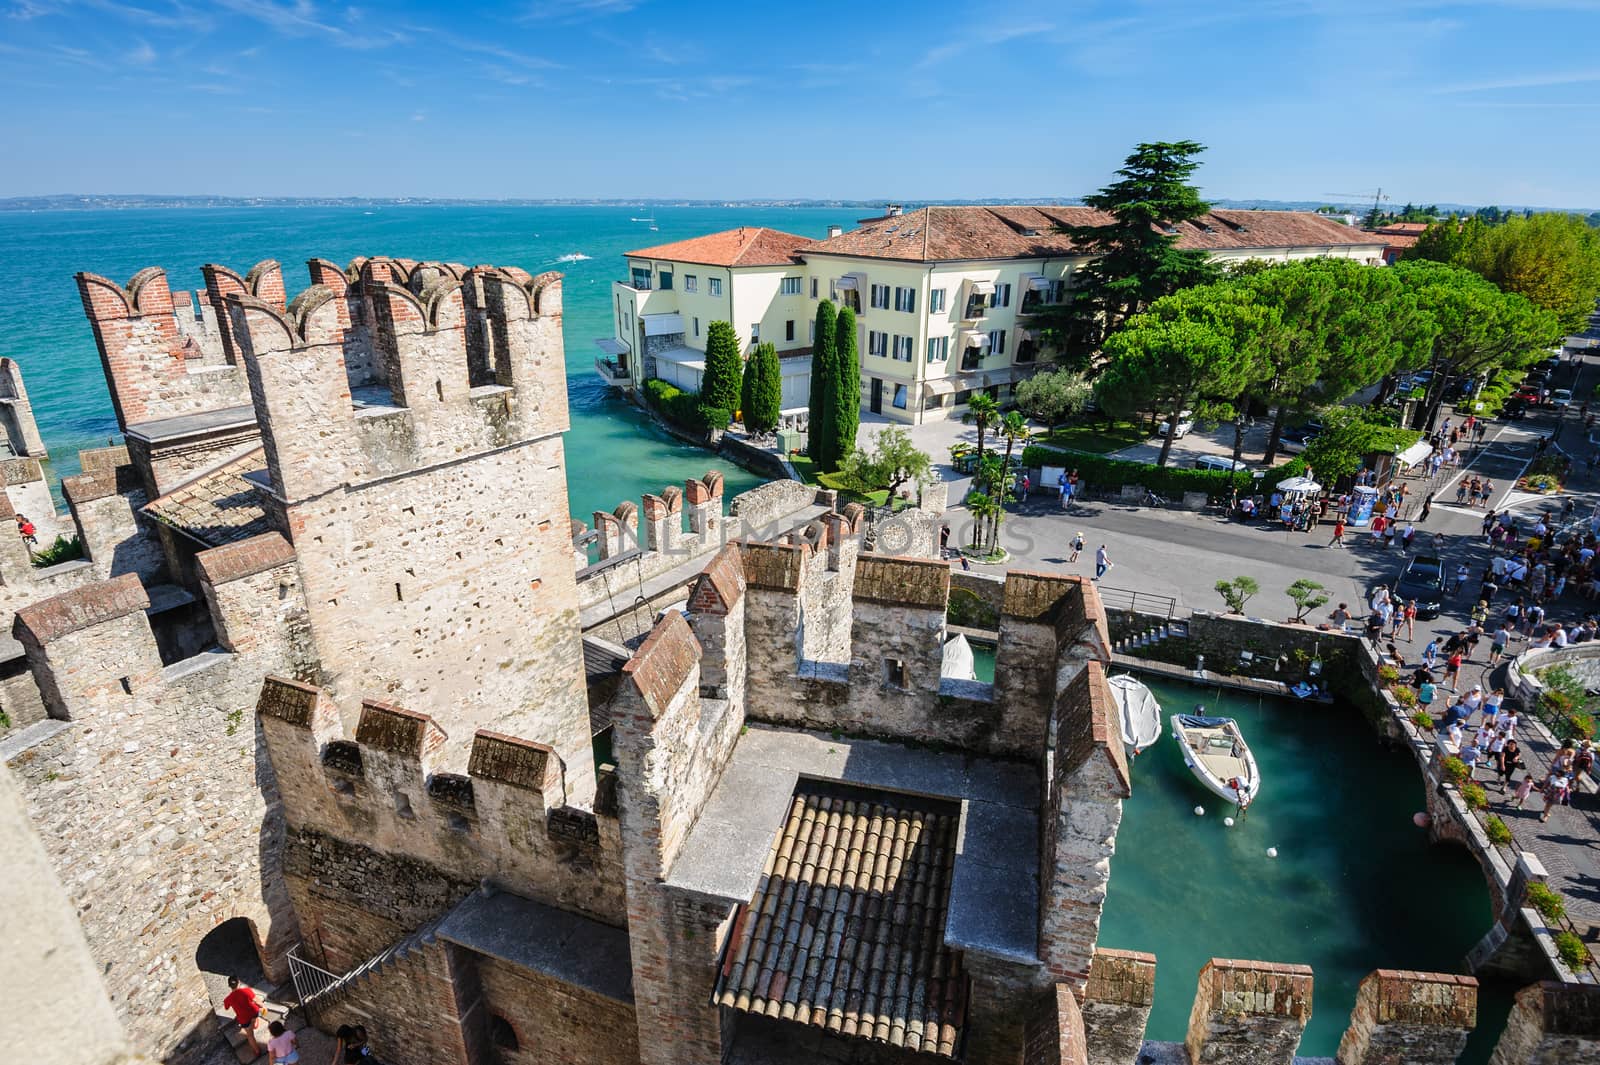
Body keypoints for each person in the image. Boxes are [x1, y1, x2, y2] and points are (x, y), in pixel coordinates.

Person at [223, 976, 264, 1060]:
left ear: (229, 986)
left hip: (243, 1019)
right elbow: (257, 1002)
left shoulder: (228, 998)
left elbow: (226, 1008)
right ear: (239, 982)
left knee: (250, 1035)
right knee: (254, 1017)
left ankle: (257, 1051)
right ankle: (255, 1024)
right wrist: (262, 1006)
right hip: (253, 1012)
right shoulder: (247, 990)